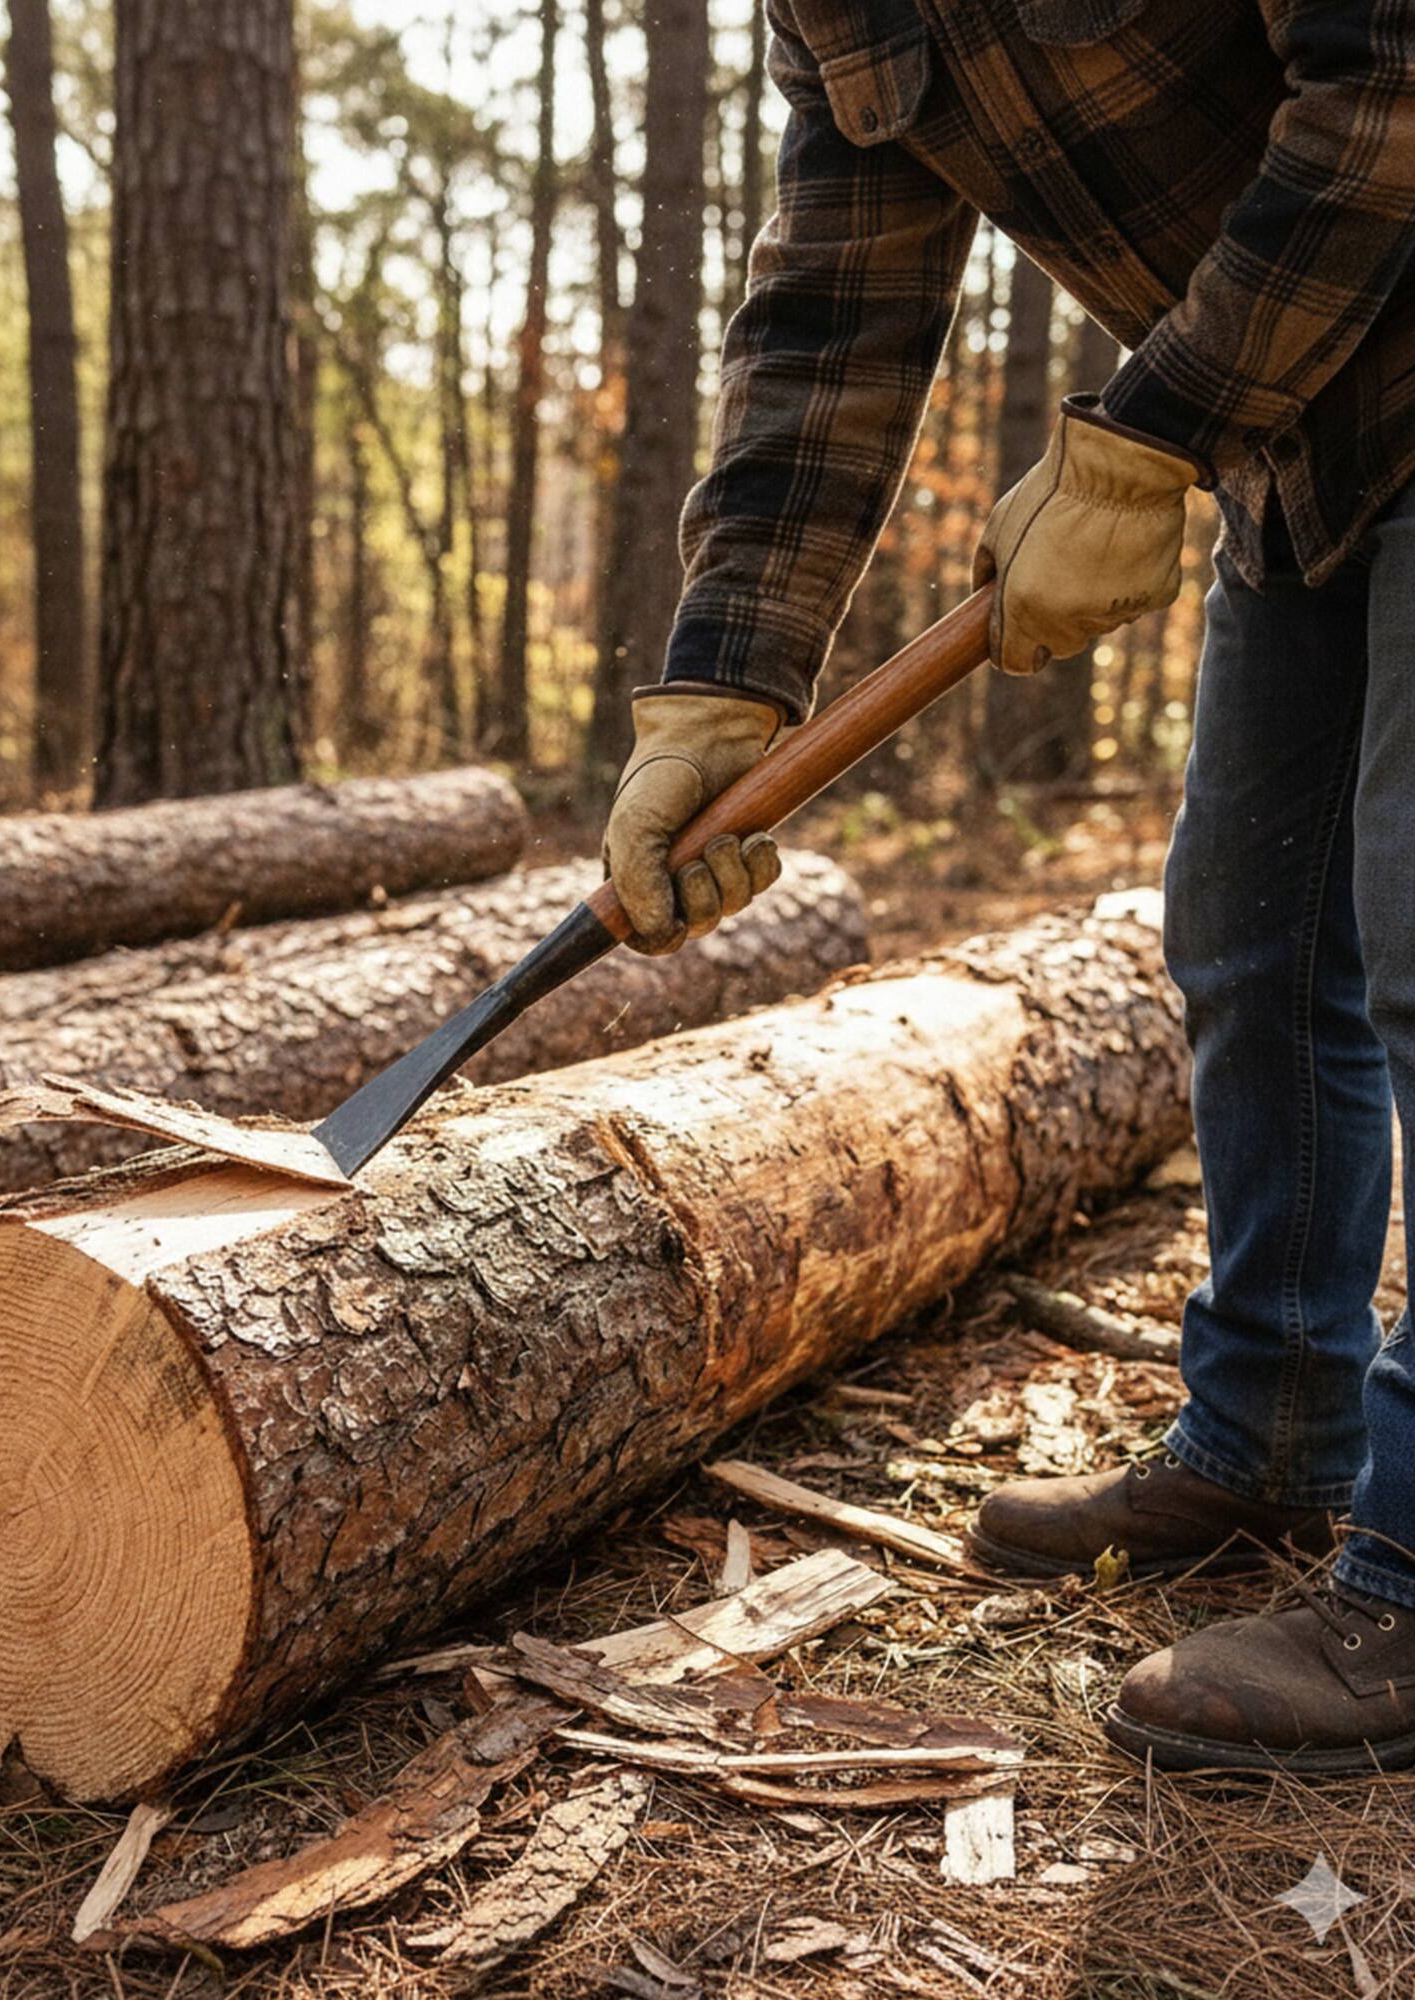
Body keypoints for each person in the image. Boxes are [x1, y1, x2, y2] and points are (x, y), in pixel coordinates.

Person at [604, 0, 1415, 1775]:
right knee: (1253, 938)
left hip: (1321, 347)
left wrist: (1149, 430)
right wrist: (723, 682)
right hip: (1309, 431)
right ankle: (1279, 1425)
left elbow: (1393, 79)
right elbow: (831, 318)